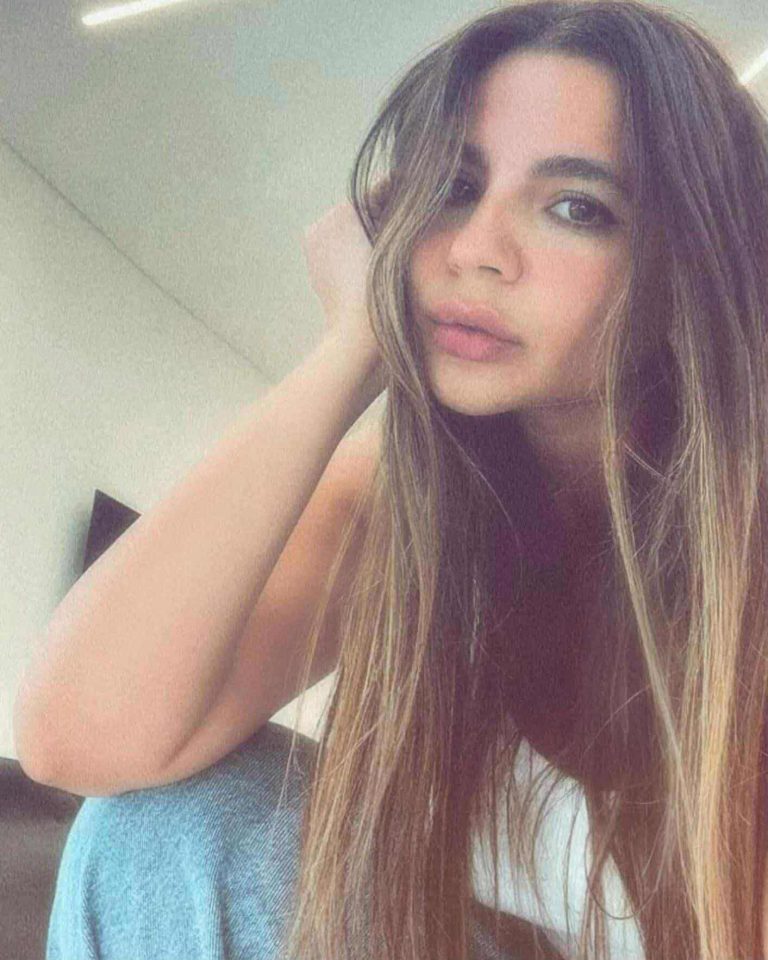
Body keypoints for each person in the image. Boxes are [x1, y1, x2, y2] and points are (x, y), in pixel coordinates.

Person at [15, 1, 768, 958]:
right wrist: (351, 351)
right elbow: (77, 738)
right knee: (172, 825)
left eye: (577, 207)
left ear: (691, 263)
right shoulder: (404, 500)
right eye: (455, 186)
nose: (474, 249)